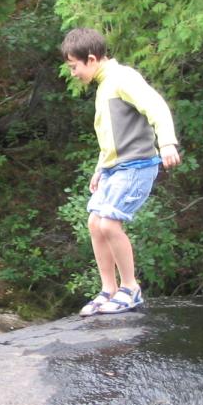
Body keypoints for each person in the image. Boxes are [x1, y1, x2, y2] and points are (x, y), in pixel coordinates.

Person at [61, 28, 182, 316]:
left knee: (109, 224)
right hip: (115, 168)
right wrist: (100, 167)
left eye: (74, 66)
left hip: (136, 166)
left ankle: (130, 288)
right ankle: (109, 290)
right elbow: (111, 135)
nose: (73, 73)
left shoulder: (122, 78)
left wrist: (167, 142)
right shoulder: (105, 85)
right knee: (94, 223)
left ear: (91, 59)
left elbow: (157, 107)